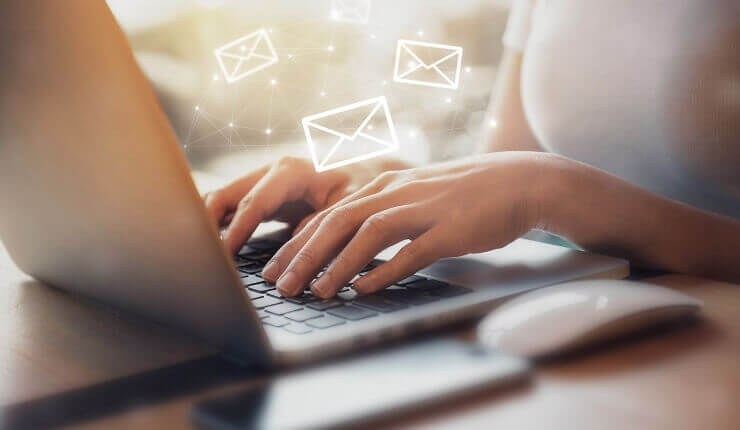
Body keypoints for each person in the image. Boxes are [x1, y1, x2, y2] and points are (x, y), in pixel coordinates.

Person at [3, 1, 738, 301]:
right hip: (587, 338)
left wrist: (552, 188)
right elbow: (505, 171)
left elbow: (536, 186)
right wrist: (376, 189)